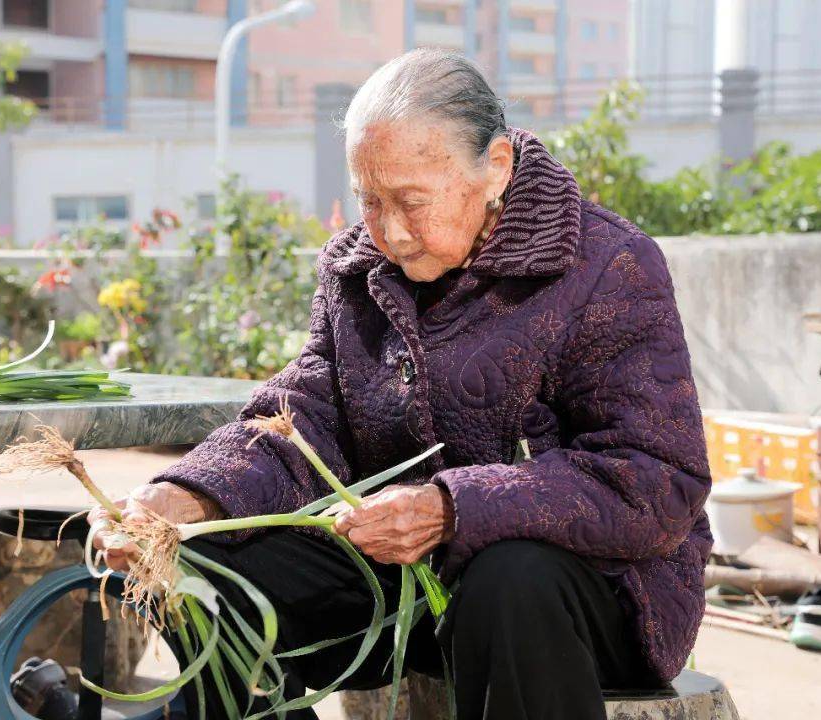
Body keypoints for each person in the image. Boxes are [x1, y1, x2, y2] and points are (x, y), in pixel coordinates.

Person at [92, 48, 712, 720]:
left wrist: (452, 509)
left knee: (510, 577)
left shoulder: (606, 265)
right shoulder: (355, 268)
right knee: (202, 564)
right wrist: (187, 496)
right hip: (398, 584)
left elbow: (656, 478)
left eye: (411, 202)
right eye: (369, 199)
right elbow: (303, 420)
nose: (389, 231)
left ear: (495, 168)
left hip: (586, 600)